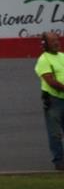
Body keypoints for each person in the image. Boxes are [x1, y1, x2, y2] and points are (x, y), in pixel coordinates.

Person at [34, 31, 64, 171]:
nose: (56, 42)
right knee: (55, 133)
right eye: (52, 41)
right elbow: (51, 81)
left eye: (57, 40)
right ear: (45, 44)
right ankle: (59, 162)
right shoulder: (43, 60)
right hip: (54, 100)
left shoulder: (62, 56)